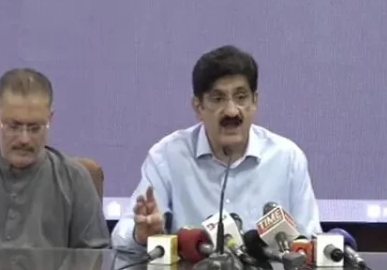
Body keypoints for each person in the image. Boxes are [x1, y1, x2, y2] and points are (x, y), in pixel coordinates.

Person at [112, 45, 321, 250]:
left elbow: (310, 241)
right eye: (218, 99)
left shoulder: (287, 158)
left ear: (255, 101)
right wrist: (141, 235)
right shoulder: (167, 156)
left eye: (241, 97)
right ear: (198, 107)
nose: (231, 111)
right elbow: (121, 236)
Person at [0, 68, 109, 248]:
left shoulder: (75, 180)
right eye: (13, 127)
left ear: (50, 120)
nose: (24, 139)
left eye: (35, 128)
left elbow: (95, 257)